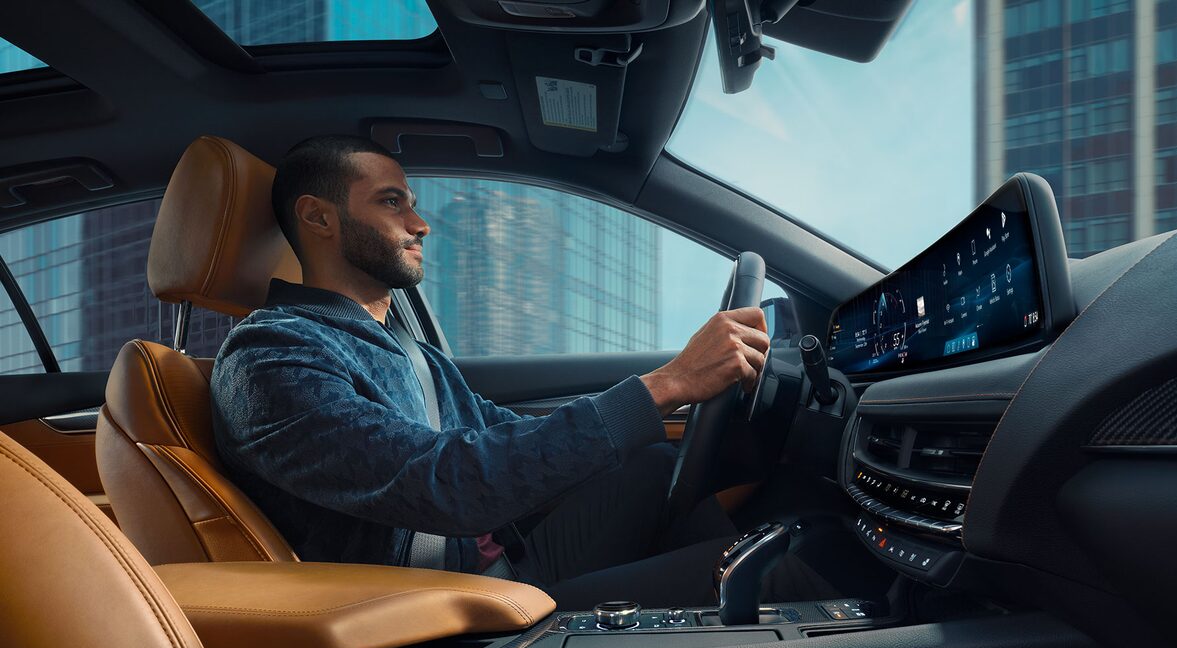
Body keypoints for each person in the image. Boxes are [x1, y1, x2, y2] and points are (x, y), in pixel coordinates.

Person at [211, 135, 791, 609]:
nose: (420, 223)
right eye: (392, 202)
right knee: (787, 576)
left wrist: (691, 406)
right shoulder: (271, 357)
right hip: (436, 614)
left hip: (491, 561)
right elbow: (445, 485)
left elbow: (504, 439)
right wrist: (668, 384)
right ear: (319, 217)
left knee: (654, 466)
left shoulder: (409, 351)